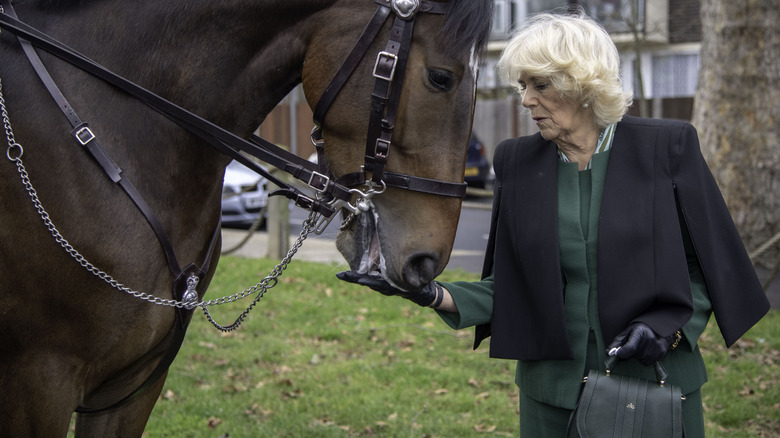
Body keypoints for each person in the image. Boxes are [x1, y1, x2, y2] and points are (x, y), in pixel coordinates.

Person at [338, 10, 771, 437]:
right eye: (523, 86)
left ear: (582, 84)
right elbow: (510, 286)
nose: (526, 99)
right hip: (551, 397)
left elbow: (712, 266)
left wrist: (668, 330)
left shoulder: (667, 148)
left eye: (540, 85)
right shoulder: (517, 162)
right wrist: (427, 292)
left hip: (652, 389)